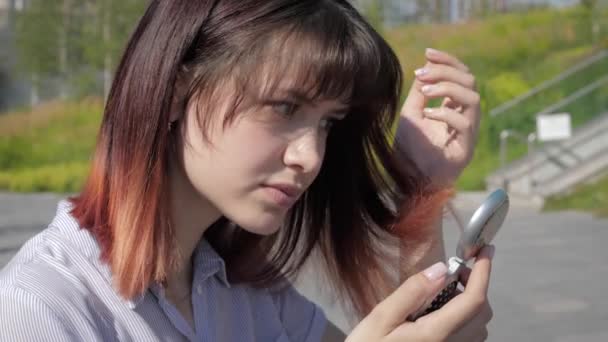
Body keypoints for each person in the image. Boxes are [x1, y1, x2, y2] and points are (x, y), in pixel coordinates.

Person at [0, 0, 494, 341]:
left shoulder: (246, 293)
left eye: (329, 123)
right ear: (175, 92)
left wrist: (418, 184)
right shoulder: (42, 305)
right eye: (283, 107)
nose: (311, 156)